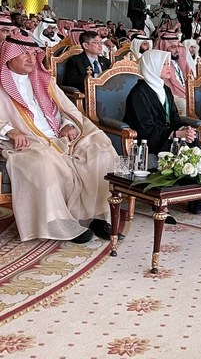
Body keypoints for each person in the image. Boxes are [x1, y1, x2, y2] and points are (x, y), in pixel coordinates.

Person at [0, 36, 118, 243]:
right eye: (24, 53)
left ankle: (97, 217)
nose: (31, 58)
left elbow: (66, 108)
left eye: (33, 54)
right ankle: (58, 223)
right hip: (26, 140)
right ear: (9, 56)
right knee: (43, 162)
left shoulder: (43, 79)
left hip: (59, 135)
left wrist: (68, 124)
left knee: (100, 149)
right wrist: (9, 130)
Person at [123, 50, 196, 162]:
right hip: (148, 141)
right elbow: (145, 129)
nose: (168, 68)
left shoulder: (165, 89)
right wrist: (175, 134)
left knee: (196, 146)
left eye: (168, 64)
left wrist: (184, 129)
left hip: (166, 136)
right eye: (164, 64)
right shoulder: (138, 94)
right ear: (152, 66)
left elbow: (174, 117)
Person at [154, 33, 194, 115]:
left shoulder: (181, 62)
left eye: (178, 46)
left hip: (185, 93)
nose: (177, 50)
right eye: (173, 47)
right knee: (184, 104)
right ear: (164, 48)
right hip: (171, 96)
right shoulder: (160, 65)